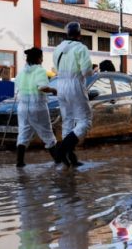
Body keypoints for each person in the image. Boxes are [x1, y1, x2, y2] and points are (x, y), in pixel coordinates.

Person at [53, 22, 93, 167]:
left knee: (68, 121)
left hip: (60, 86)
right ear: (79, 34)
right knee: (85, 121)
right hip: (75, 84)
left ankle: (70, 159)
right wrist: (91, 71)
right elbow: (86, 72)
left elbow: (56, 68)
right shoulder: (81, 48)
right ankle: (62, 150)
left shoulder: (58, 49)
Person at [14, 48, 59, 167]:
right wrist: (54, 90)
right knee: (48, 135)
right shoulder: (39, 70)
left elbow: (17, 87)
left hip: (23, 107)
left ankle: (20, 163)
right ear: (38, 58)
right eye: (42, 57)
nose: (42, 59)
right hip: (37, 107)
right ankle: (59, 162)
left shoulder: (22, 72)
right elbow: (42, 87)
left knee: (23, 133)